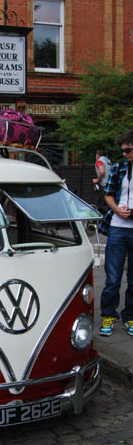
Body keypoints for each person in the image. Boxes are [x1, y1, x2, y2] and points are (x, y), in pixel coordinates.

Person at [98, 130, 133, 337]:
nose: (125, 154)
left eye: (128, 150)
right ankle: (108, 315)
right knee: (112, 277)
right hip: (118, 227)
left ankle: (130, 316)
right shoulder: (119, 168)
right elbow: (108, 194)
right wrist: (118, 210)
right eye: (123, 151)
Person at [92, 148, 112, 213]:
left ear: (97, 155)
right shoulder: (108, 161)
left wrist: (97, 179)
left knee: (101, 205)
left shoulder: (99, 161)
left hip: (104, 185)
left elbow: (102, 171)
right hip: (111, 184)